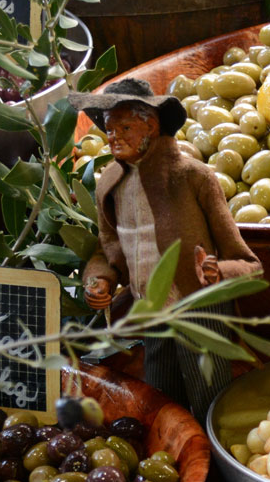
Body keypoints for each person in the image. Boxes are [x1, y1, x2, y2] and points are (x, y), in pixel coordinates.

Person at [74, 78, 260, 417]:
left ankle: (215, 462)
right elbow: (108, 251)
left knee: (211, 400)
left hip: (198, 310)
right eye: (109, 129)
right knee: (161, 399)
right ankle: (179, 455)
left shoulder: (194, 178)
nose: (113, 137)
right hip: (152, 311)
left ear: (152, 125)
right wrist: (98, 280)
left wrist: (219, 272)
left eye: (125, 127)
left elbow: (248, 262)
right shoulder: (109, 186)